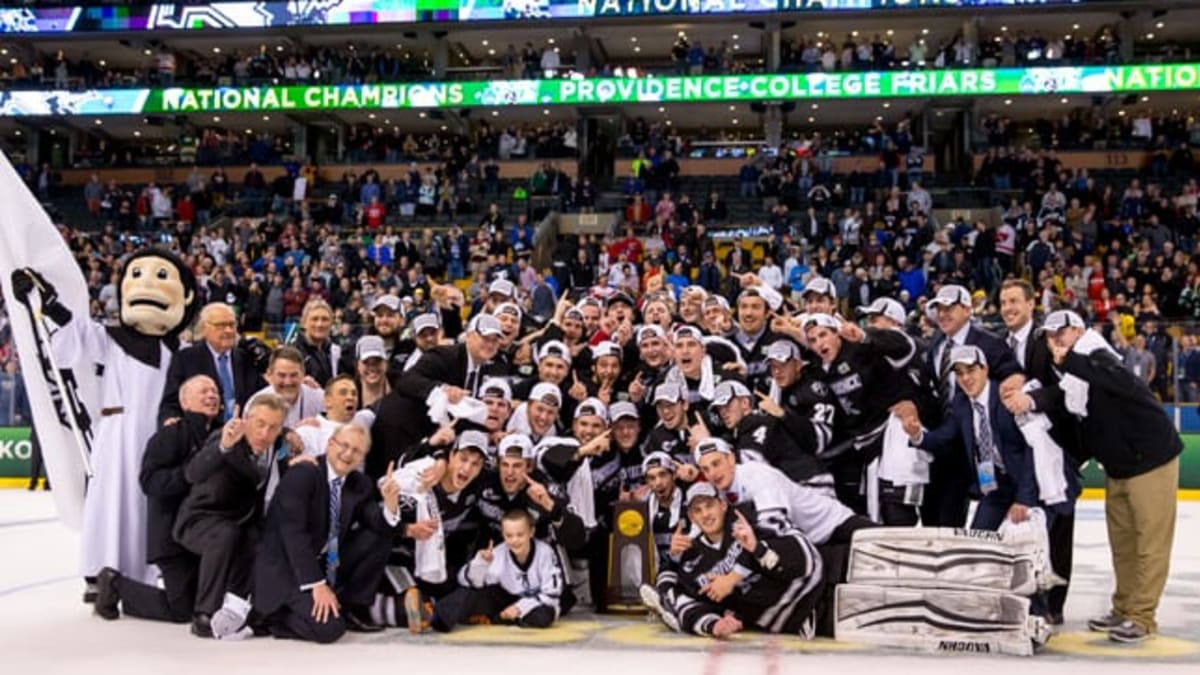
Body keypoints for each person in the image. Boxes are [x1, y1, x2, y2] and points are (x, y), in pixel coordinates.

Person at [1041, 310, 1182, 643]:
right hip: (1119, 467)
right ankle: (1123, 608)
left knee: (1150, 543)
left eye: (1061, 333)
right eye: (1050, 335)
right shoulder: (1073, 377)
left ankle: (1142, 617)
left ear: (1078, 331)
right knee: (1123, 544)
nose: (1055, 341)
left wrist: (1071, 360)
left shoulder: (1099, 354)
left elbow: (1120, 381)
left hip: (1151, 461)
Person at [253, 424, 403, 642]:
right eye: (344, 445)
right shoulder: (305, 473)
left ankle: (355, 606)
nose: (348, 454)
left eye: (357, 451)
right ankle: (272, 615)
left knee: (379, 536)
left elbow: (377, 523)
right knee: (330, 629)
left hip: (324, 562)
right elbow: (293, 534)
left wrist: (390, 505)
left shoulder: (360, 483)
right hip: (287, 568)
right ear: (330, 444)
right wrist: (317, 584)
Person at [93, 375, 221, 624]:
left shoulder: (218, 434)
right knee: (182, 610)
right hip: (171, 538)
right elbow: (150, 481)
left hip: (200, 536)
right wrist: (189, 474)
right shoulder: (171, 435)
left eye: (214, 391)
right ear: (184, 402)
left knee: (203, 602)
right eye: (203, 392)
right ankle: (116, 584)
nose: (211, 396)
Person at [172, 394, 289, 638]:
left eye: (273, 427)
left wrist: (297, 443)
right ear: (247, 421)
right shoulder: (226, 438)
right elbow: (193, 473)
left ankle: (245, 610)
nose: (265, 433)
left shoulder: (279, 445)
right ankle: (204, 613)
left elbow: (283, 455)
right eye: (260, 424)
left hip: (240, 522)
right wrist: (224, 445)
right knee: (226, 534)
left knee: (260, 538)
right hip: (200, 520)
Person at [653, 482, 827, 639]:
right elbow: (696, 605)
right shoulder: (691, 562)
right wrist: (714, 624)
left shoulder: (748, 515)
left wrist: (739, 571)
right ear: (691, 517)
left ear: (722, 505)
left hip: (822, 596)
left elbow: (802, 552)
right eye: (697, 510)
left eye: (709, 506)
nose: (705, 514)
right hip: (789, 626)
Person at [903, 346, 1039, 531]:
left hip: (1031, 484)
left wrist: (1024, 498)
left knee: (1028, 546)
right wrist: (917, 435)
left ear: (985, 369)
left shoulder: (1006, 397)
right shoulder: (961, 404)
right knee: (978, 541)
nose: (965, 378)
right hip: (992, 484)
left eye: (971, 370)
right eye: (959, 373)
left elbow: (1031, 449)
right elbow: (945, 435)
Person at [923, 284, 1021, 527]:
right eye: (939, 309)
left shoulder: (990, 344)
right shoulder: (937, 343)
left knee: (958, 526)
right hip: (943, 446)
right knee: (935, 522)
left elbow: (1013, 379)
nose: (943, 314)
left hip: (975, 449)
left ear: (967, 309)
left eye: (950, 308)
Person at [370, 314, 505, 479]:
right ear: (469, 336)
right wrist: (442, 389)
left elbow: (461, 413)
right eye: (485, 338)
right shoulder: (444, 355)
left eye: (495, 340)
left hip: (424, 439)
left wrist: (488, 433)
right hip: (397, 431)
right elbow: (406, 381)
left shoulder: (480, 368)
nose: (490, 344)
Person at [430, 509, 566, 632]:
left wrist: (520, 607)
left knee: (542, 617)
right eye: (509, 535)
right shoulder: (498, 554)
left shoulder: (545, 553)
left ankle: (498, 618)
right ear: (503, 534)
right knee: (468, 594)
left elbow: (552, 594)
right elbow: (467, 582)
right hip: (506, 598)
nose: (515, 540)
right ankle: (435, 618)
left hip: (537, 603)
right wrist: (481, 564)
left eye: (520, 535)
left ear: (531, 532)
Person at [159, 303, 265, 424]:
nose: (229, 330)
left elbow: (262, 395)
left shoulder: (245, 358)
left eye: (232, 324)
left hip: (240, 433)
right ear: (204, 328)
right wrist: (170, 420)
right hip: (201, 436)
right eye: (221, 326)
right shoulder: (185, 359)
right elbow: (171, 402)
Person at [250, 346, 325, 426]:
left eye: (293, 375)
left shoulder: (319, 398)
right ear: (270, 375)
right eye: (282, 375)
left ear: (303, 374)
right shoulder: (256, 403)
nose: (288, 382)